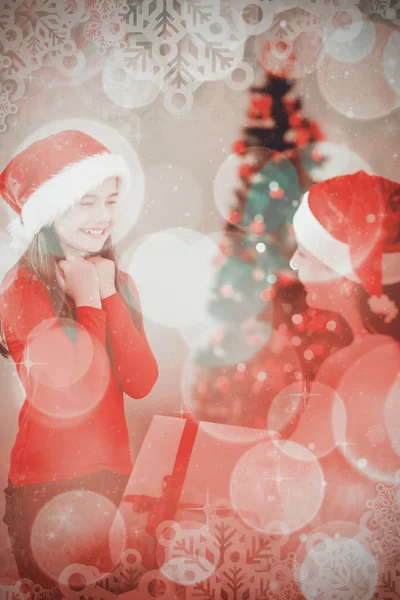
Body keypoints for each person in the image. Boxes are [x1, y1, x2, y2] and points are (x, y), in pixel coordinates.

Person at [0, 130, 159, 588]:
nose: (103, 217)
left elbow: (141, 381)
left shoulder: (118, 282)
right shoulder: (22, 286)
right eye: (86, 202)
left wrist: (107, 291)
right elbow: (72, 390)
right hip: (46, 484)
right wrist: (87, 301)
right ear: (51, 210)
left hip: (114, 479)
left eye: (110, 201)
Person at [289, 170, 400, 525]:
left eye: (304, 253)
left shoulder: (359, 363)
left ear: (343, 272)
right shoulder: (378, 353)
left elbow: (296, 472)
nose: (292, 262)